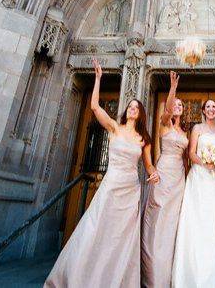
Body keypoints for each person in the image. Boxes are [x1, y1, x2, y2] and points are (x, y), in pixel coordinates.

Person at [45, 58, 150, 288]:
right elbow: (94, 107)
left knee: (121, 237)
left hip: (131, 189)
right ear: (126, 111)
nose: (133, 109)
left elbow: (148, 165)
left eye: (136, 107)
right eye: (130, 106)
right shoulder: (114, 128)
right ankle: (82, 276)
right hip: (112, 185)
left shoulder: (142, 139)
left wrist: (153, 174)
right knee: (98, 228)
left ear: (141, 113)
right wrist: (98, 78)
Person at [172, 99, 215, 288]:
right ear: (203, 111)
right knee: (198, 221)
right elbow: (191, 153)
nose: (211, 109)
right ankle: (193, 275)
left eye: (214, 107)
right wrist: (205, 163)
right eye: (208, 107)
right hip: (199, 178)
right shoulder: (197, 129)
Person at [141, 71, 189, 287]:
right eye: (174, 104)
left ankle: (172, 272)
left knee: (174, 221)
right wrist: (172, 88)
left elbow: (187, 157)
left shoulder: (185, 132)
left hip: (179, 176)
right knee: (159, 219)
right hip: (163, 172)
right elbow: (167, 110)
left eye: (180, 104)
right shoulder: (164, 124)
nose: (177, 106)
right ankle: (153, 275)